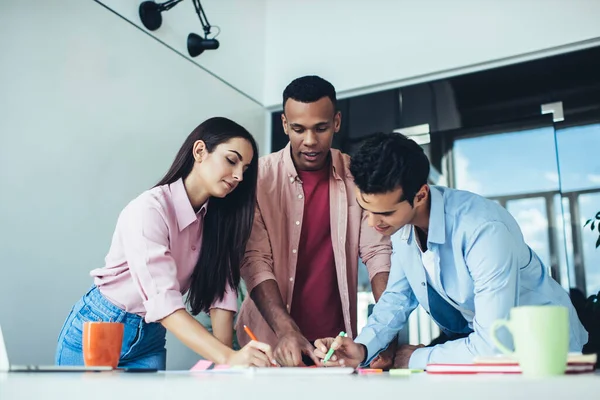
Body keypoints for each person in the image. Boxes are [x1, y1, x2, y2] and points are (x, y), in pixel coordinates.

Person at [314, 132, 588, 369]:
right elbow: (396, 298)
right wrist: (361, 348)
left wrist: (417, 358)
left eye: (384, 213)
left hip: (548, 351)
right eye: (367, 209)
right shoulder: (400, 226)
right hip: (493, 356)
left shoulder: (482, 230)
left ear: (420, 195)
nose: (373, 224)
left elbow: (492, 345)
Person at [55, 117, 275, 370]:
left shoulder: (219, 222)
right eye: (231, 160)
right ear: (200, 151)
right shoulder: (150, 209)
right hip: (102, 326)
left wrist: (225, 364)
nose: (238, 176)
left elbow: (221, 296)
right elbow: (164, 303)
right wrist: (229, 357)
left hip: (151, 337)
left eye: (245, 169)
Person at [236, 76, 392, 367]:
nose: (310, 140)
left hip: (336, 348)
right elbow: (255, 260)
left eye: (320, 128)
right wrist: (288, 332)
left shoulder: (356, 175)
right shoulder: (257, 178)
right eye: (298, 129)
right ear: (284, 124)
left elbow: (378, 254)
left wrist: (384, 336)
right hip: (270, 345)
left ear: (336, 122)